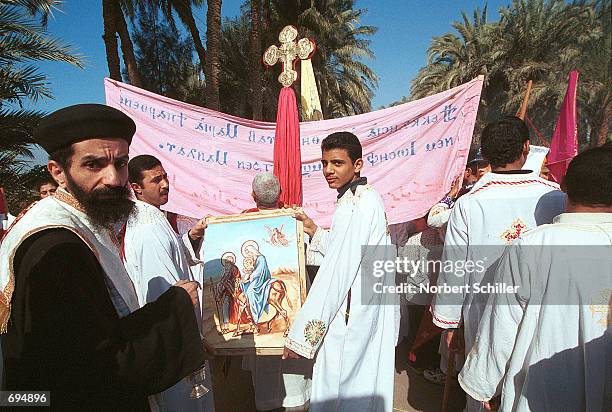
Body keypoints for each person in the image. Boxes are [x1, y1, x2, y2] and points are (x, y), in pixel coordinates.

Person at [0, 104, 205, 410]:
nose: (113, 178)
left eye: (121, 164)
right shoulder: (57, 247)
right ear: (58, 172)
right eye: (93, 165)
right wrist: (174, 308)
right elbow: (97, 368)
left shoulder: (79, 220)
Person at [458, 145, 612, 411]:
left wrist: (485, 385)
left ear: (564, 185)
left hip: (541, 391)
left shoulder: (534, 244)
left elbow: (502, 323)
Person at [430, 116, 566, 411]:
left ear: (486, 155)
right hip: (540, 316)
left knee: (483, 392)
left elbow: (454, 268)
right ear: (527, 148)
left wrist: (450, 323)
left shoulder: (470, 202)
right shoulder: (556, 198)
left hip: (484, 315)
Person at [283, 132, 398, 412]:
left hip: (351, 314)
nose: (328, 171)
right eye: (324, 163)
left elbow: (337, 270)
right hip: (366, 308)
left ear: (357, 164)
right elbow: (347, 248)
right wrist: (314, 229)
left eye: (337, 163)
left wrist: (302, 336)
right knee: (362, 382)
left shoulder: (355, 204)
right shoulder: (366, 196)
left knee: (340, 388)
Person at [124, 154, 214, 411]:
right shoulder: (148, 228)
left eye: (164, 177)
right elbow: (165, 293)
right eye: (156, 180)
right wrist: (193, 338)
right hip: (174, 343)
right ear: (136, 188)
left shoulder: (154, 218)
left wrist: (191, 238)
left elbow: (174, 260)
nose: (164, 184)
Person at [242, 172, 312, 412]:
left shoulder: (242, 223)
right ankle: (296, 399)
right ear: (280, 195)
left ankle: (268, 401)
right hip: (295, 302)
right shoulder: (296, 220)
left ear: (253, 196)